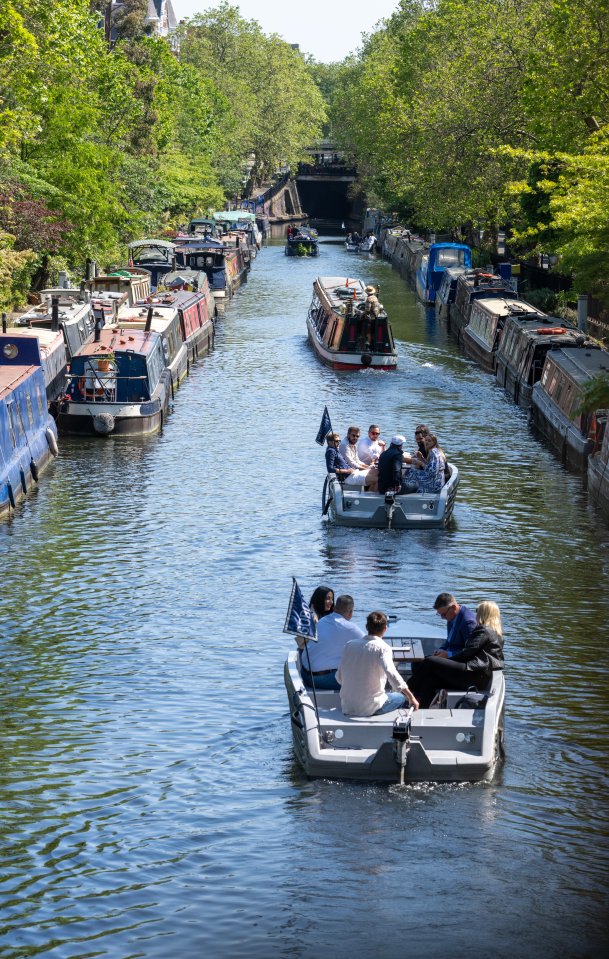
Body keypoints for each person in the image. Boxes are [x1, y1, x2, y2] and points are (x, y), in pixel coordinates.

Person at [407, 601, 505, 708]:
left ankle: (407, 688)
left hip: (472, 673)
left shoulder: (484, 630)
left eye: (477, 611)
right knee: (431, 678)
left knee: (430, 661)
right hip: (480, 677)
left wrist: (447, 659)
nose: (475, 614)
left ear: (483, 613)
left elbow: (467, 653)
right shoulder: (497, 633)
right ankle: (421, 707)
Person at [336, 611, 419, 716]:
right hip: (370, 708)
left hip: (347, 706)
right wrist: (411, 697)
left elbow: (339, 677)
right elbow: (391, 673)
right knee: (401, 697)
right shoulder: (383, 648)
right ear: (385, 629)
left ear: (366, 627)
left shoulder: (349, 645)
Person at [299, 594, 365, 690]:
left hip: (305, 675)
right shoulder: (350, 627)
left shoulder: (322, 621)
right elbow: (371, 644)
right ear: (351, 612)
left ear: (334, 608)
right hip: (322, 680)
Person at [433, 592, 476, 656]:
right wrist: (441, 649)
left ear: (454, 607)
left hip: (461, 661)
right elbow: (449, 641)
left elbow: (470, 652)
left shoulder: (468, 623)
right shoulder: (451, 616)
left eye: (443, 614)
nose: (442, 618)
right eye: (440, 615)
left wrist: (449, 654)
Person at [340, 426, 378, 490]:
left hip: (355, 472)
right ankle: (370, 498)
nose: (355, 438)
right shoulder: (344, 445)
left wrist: (368, 466)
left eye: (357, 436)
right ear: (348, 434)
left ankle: (369, 494)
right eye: (353, 435)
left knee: (377, 472)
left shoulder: (352, 444)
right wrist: (366, 468)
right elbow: (351, 463)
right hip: (348, 476)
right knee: (378, 479)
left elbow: (357, 460)